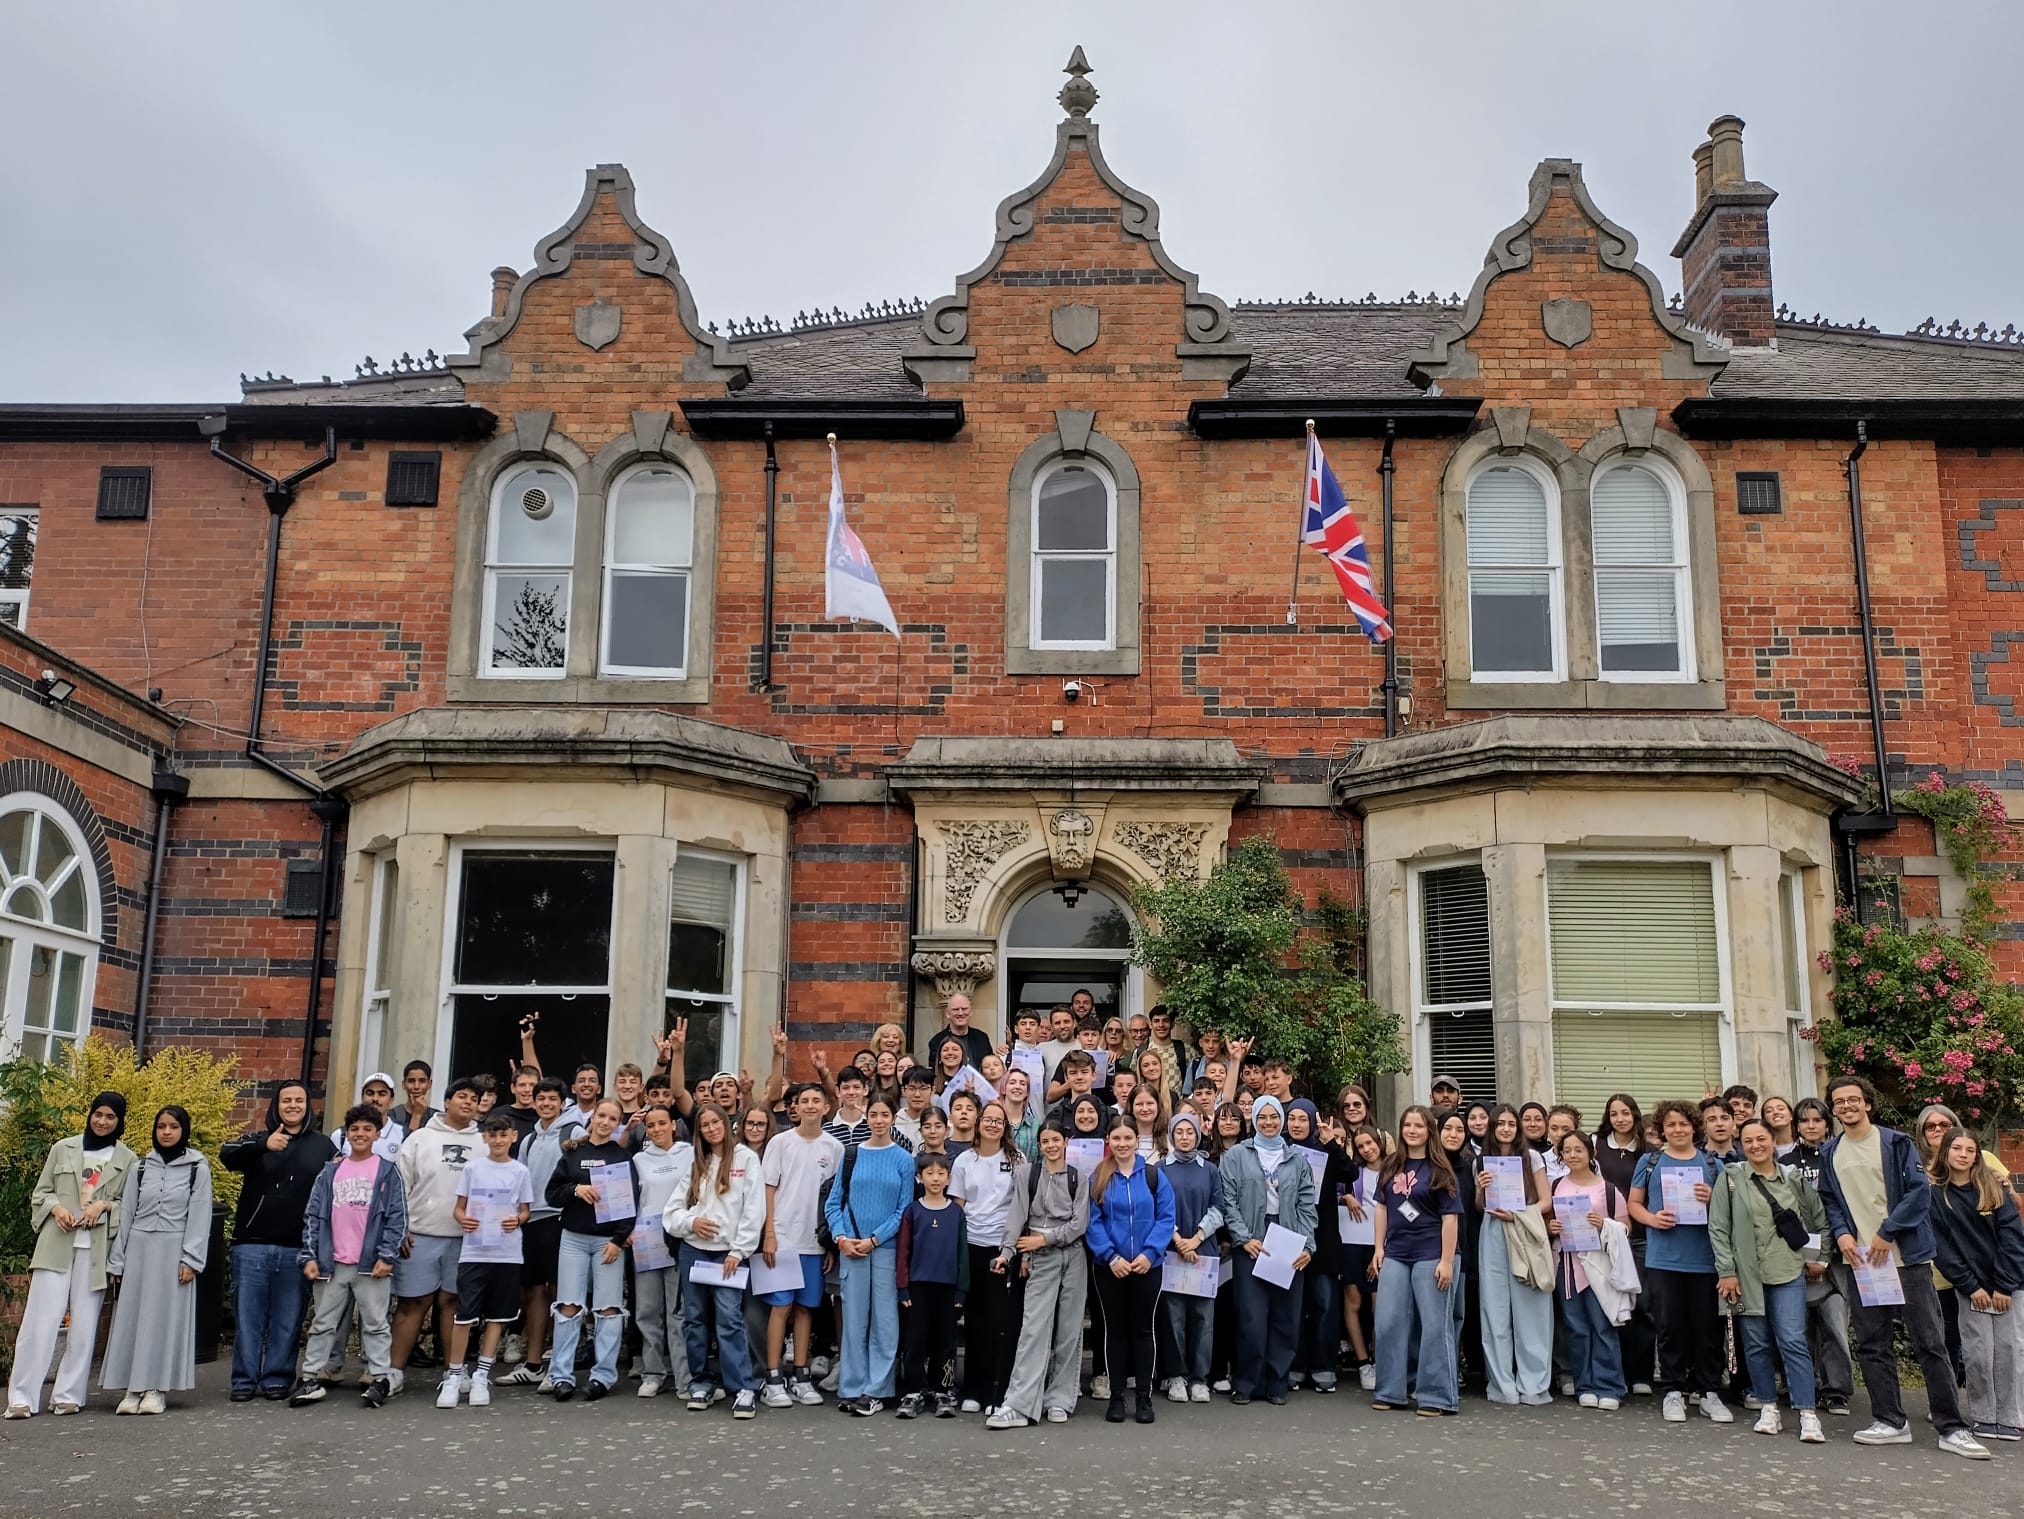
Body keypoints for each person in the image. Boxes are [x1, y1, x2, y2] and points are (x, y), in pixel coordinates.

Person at [1815, 1075, 1987, 1458]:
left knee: (1931, 1343)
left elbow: (1918, 1192)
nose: (1846, 1106)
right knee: (1873, 1344)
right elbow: (1830, 1199)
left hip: (1906, 1259)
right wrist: (1842, 1234)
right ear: (1834, 1108)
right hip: (1862, 1263)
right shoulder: (1830, 1151)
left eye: (1853, 1099)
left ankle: (1952, 1428)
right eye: (1839, 1101)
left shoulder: (1895, 1143)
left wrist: (1886, 1231)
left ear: (1867, 1103)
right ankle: (1890, 1421)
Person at [6, 1093, 134, 1419]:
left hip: (96, 1250)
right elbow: (41, 1193)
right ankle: (21, 1397)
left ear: (119, 1121)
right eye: (98, 1114)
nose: (102, 1121)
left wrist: (104, 1206)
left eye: (110, 1117)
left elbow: (129, 1205)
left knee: (85, 1325)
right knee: (40, 1321)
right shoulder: (63, 1148)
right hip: (56, 1243)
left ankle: (68, 1394)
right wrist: (56, 1208)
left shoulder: (128, 1159)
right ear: (90, 1115)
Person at [1710, 1118, 1828, 1442]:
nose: (1755, 1145)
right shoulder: (1730, 1178)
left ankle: (1807, 1413)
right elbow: (1718, 1228)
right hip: (1745, 1275)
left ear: (1773, 1141)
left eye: (1761, 1139)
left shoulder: (1792, 1178)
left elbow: (1818, 1218)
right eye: (1748, 1141)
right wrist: (1726, 1271)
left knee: (1792, 1340)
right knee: (1756, 1344)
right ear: (1741, 1145)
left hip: (1788, 1270)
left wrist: (1821, 1258)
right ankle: (1768, 1407)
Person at [291, 1103, 408, 1409]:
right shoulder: (331, 1172)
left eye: (367, 1129)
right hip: (332, 1263)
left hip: (371, 1263)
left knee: (376, 1323)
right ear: (346, 1134)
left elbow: (397, 1217)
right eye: (354, 1129)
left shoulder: (387, 1171)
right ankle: (310, 1376)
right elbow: (313, 1215)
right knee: (323, 1323)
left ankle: (379, 1376)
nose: (360, 1134)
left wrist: (387, 1255)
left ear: (377, 1134)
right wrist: (310, 1256)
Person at [221, 1080, 328, 1401]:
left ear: (308, 1106)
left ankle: (277, 1377)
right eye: (286, 1100)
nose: (292, 1106)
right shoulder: (257, 1140)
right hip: (251, 1244)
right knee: (248, 1319)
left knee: (288, 1318)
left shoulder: (324, 1146)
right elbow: (227, 1156)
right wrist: (264, 1145)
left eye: (299, 1100)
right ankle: (244, 1380)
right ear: (276, 1106)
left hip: (297, 1247)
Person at [101, 1107, 211, 1415]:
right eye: (161, 1126)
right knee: (133, 1318)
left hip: (173, 1251)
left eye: (173, 1126)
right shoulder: (140, 1167)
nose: (166, 1132)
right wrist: (117, 1260)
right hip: (138, 1250)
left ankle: (156, 1389)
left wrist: (191, 1259)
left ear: (183, 1130)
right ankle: (132, 1388)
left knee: (165, 1319)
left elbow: (200, 1213)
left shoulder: (197, 1168)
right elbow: (126, 1214)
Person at [665, 1101, 766, 1417]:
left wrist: (739, 1251)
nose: (710, 1129)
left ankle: (743, 1388)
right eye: (704, 1125)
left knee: (729, 1319)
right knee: (695, 1319)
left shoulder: (746, 1159)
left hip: (728, 1253)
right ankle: (701, 1382)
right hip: (694, 1251)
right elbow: (671, 1213)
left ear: (725, 1123)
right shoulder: (697, 1162)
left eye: (715, 1122)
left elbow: (754, 1209)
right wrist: (691, 1222)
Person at [1630, 1099, 1728, 1423]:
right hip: (1663, 1258)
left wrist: (1712, 1198)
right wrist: (1652, 1219)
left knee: (1708, 1327)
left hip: (1705, 1259)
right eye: (1670, 1125)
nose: (1677, 1130)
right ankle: (1673, 1389)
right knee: (1669, 1326)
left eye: (1683, 1124)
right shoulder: (1650, 1161)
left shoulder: (1712, 1164)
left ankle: (1709, 1391)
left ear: (1694, 1127)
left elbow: (1729, 1211)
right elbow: (1634, 1204)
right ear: (1662, 1129)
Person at [990, 1121, 1092, 1428]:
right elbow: (1016, 1215)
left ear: (1066, 1142)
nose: (1051, 1146)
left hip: (1073, 1254)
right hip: (1040, 1258)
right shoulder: (1027, 1174)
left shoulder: (1078, 1177)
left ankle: (1059, 1399)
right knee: (1034, 1329)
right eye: (1045, 1141)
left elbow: (1079, 1224)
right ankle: (1019, 1404)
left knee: (1069, 1331)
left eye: (1056, 1140)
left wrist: (1044, 1239)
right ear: (1039, 1144)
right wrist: (1007, 1252)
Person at [1930, 1124, 2024, 1442]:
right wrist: (1971, 1286)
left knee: (2009, 1350)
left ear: (1977, 1156)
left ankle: (2009, 1417)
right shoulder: (1936, 1195)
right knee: (1978, 1352)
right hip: (1972, 1288)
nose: (1963, 1155)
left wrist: (2004, 1285)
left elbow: (2013, 1238)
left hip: (2008, 1285)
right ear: (1945, 1152)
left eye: (1970, 1150)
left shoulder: (1993, 1189)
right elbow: (1942, 1248)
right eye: (1957, 1148)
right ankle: (1983, 1416)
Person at [1221, 1095, 1317, 1405]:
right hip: (1252, 1238)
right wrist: (1243, 1237)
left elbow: (1306, 1205)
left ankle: (1277, 1383)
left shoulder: (1297, 1160)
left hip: (1288, 1237)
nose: (1268, 1122)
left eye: (1274, 1117)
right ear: (1253, 1121)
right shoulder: (1237, 1155)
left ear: (1282, 1120)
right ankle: (1247, 1382)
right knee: (1251, 1316)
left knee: (1285, 1316)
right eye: (1262, 1117)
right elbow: (1228, 1201)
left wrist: (1307, 1245)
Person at [537, 1098, 632, 1404]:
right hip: (574, 1239)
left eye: (612, 1119)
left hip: (607, 1242)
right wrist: (575, 1190)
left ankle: (602, 1376)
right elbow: (551, 1194)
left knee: (608, 1309)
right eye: (601, 1116)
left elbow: (629, 1204)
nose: (605, 1122)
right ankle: (560, 1376)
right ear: (593, 1118)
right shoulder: (572, 1153)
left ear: (618, 1124)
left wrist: (618, 1239)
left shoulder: (621, 1156)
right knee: (568, 1307)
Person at [823, 1093, 912, 1416]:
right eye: (873, 1114)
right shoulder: (851, 1155)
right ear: (867, 1117)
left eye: (884, 1115)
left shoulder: (904, 1159)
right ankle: (851, 1387)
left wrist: (875, 1239)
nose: (878, 1120)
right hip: (852, 1248)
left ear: (893, 1118)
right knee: (854, 1322)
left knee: (885, 1322)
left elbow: (904, 1209)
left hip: (885, 1249)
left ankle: (877, 1389)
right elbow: (834, 1203)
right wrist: (841, 1237)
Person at [1370, 1105, 1463, 1416]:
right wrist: (1378, 1248)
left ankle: (1436, 1396)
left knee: (1434, 1326)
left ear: (1429, 1131)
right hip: (1396, 1253)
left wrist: (1446, 1261)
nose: (1412, 1130)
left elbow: (1450, 1219)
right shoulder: (1390, 1164)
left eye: (1419, 1126)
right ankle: (1390, 1391)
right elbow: (1381, 1207)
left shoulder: (1440, 1169)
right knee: (1388, 1322)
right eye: (1407, 1125)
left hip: (1431, 1254)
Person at [391, 1076, 482, 1388]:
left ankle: (454, 1372)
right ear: (446, 1101)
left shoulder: (484, 1142)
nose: (468, 1102)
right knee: (411, 1304)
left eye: (474, 1099)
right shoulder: (420, 1139)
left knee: (455, 1306)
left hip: (465, 1239)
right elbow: (399, 1187)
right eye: (462, 1096)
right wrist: (400, 1228)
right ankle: (393, 1372)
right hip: (420, 1235)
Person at [442, 1111, 534, 1408]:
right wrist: (464, 1219)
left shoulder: (520, 1171)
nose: (497, 1140)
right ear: (485, 1137)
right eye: (492, 1135)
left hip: (507, 1253)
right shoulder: (473, 1168)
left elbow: (525, 1211)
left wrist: (516, 1220)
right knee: (464, 1315)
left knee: (497, 1315)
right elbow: (459, 1208)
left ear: (513, 1136)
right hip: (474, 1252)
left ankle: (482, 1374)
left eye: (503, 1135)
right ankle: (454, 1375)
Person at [760, 1084, 843, 1408]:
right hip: (783, 1239)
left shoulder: (834, 1148)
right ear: (795, 1107)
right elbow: (768, 1189)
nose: (809, 1105)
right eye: (803, 1101)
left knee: (806, 1308)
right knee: (780, 1307)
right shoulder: (780, 1142)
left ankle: (801, 1376)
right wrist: (769, 1233)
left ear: (826, 1107)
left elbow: (835, 1199)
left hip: (814, 1243)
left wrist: (831, 1245)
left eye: (815, 1101)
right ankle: (772, 1378)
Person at [951, 1100, 1025, 1414]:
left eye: (999, 1121)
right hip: (971, 1246)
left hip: (1002, 1248)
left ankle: (998, 1390)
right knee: (975, 1318)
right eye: (988, 1119)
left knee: (1000, 1321)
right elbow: (957, 1207)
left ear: (1005, 1127)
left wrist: (1016, 1250)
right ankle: (973, 1389)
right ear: (979, 1123)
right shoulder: (964, 1160)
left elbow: (1021, 1205)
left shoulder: (1016, 1159)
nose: (993, 1125)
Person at [1476, 1104, 1553, 1406]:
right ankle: (1502, 1384)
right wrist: (1480, 1189)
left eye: (1511, 1123)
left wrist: (1519, 1215)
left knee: (1532, 1307)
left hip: (1524, 1229)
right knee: (1494, 1310)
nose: (1506, 1128)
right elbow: (1480, 1206)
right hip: (1493, 1230)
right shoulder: (1482, 1159)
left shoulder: (1531, 1157)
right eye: (1500, 1123)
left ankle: (1534, 1385)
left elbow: (1546, 1201)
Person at [502, 1077, 576, 1389]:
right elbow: (519, 1181)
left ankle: (558, 1365)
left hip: (560, 1218)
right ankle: (533, 1364)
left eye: (552, 1099)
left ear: (562, 1103)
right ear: (533, 1103)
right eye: (541, 1099)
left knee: (560, 1292)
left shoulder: (574, 1133)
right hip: (531, 1221)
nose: (546, 1104)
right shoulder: (529, 1140)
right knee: (533, 1292)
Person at [1548, 1130, 1628, 1411]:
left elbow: (1626, 1226)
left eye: (1578, 1150)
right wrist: (1551, 1227)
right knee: (1576, 1327)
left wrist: (1603, 1224)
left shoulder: (1608, 1189)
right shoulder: (1556, 1185)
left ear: (1591, 1153)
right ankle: (1585, 1385)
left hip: (1599, 1265)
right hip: (1567, 1264)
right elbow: (1547, 1220)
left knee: (1603, 1325)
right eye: (1567, 1151)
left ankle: (1609, 1386)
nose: (1573, 1155)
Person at [1786, 1096, 1853, 1416]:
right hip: (1795, 1252)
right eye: (1804, 1120)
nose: (1811, 1126)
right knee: (1798, 1328)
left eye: (1817, 1120)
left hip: (1836, 1254)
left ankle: (1836, 1390)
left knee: (1834, 1324)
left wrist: (1826, 1256)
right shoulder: (1785, 1162)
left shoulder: (1839, 1155)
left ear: (1828, 1123)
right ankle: (1804, 1386)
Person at [894, 1154, 968, 1418]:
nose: (935, 1179)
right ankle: (914, 1390)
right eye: (929, 1173)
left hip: (947, 1288)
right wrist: (902, 1287)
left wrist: (961, 1290)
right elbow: (903, 1252)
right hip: (917, 1287)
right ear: (919, 1177)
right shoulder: (912, 1211)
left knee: (945, 1341)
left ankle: (942, 1390)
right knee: (914, 1339)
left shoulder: (956, 1213)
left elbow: (962, 1253)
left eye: (940, 1174)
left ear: (948, 1178)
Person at [1157, 1110, 1222, 1405]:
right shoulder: (1161, 1169)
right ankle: (1177, 1375)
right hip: (1172, 1252)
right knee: (1174, 1318)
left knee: (1203, 1318)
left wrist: (1195, 1239)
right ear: (1171, 1135)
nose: (1185, 1137)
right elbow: (1158, 1207)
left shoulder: (1210, 1169)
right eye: (1179, 1132)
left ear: (1198, 1134)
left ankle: (1199, 1378)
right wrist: (1178, 1241)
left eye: (1190, 1132)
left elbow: (1218, 1207)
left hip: (1203, 1251)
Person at [627, 1104, 690, 1400]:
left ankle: (684, 1377)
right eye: (650, 1125)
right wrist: (627, 1231)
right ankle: (653, 1373)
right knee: (648, 1311)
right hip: (647, 1241)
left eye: (662, 1123)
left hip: (680, 1239)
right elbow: (629, 1199)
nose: (656, 1129)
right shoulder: (638, 1160)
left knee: (678, 1313)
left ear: (673, 1125)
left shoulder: (690, 1154)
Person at [1593, 1092, 1655, 1394]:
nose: (1620, 1119)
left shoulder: (1649, 1151)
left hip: (1639, 1235)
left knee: (1641, 1305)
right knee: (1608, 1303)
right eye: (1614, 1113)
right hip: (1602, 1236)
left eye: (1626, 1113)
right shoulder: (1595, 1145)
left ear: (1635, 1115)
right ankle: (1612, 1372)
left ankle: (1641, 1373)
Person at [1437, 1108, 1484, 1393]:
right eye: (1447, 1129)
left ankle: (1453, 1369)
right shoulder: (1428, 1165)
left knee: (1457, 1315)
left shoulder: (1468, 1167)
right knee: (1435, 1316)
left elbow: (1474, 1211)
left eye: (1459, 1130)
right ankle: (1435, 1372)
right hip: (1432, 1252)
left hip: (1462, 1250)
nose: (1453, 1135)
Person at [1340, 1124, 1387, 1389]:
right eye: (1361, 1146)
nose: (1367, 1149)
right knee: (1353, 1300)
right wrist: (1346, 1197)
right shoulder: (1354, 1173)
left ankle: (1381, 1359)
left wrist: (1381, 1249)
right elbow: (1335, 1193)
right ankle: (1362, 1362)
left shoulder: (1394, 1171)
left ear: (1380, 1142)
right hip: (1353, 1242)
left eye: (1370, 1143)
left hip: (1382, 1244)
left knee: (1380, 1304)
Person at [926, 993, 993, 1075]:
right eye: (955, 1009)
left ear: (971, 1011)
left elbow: (990, 1065)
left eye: (964, 1009)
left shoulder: (982, 1038)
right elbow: (935, 1073)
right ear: (947, 1013)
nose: (960, 1013)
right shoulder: (937, 1041)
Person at [398, 1061, 437, 1138]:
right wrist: (416, 1115)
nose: (416, 1086)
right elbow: (407, 1144)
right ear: (403, 1084)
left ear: (429, 1084)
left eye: (422, 1081)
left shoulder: (436, 1118)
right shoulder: (392, 1115)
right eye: (411, 1081)